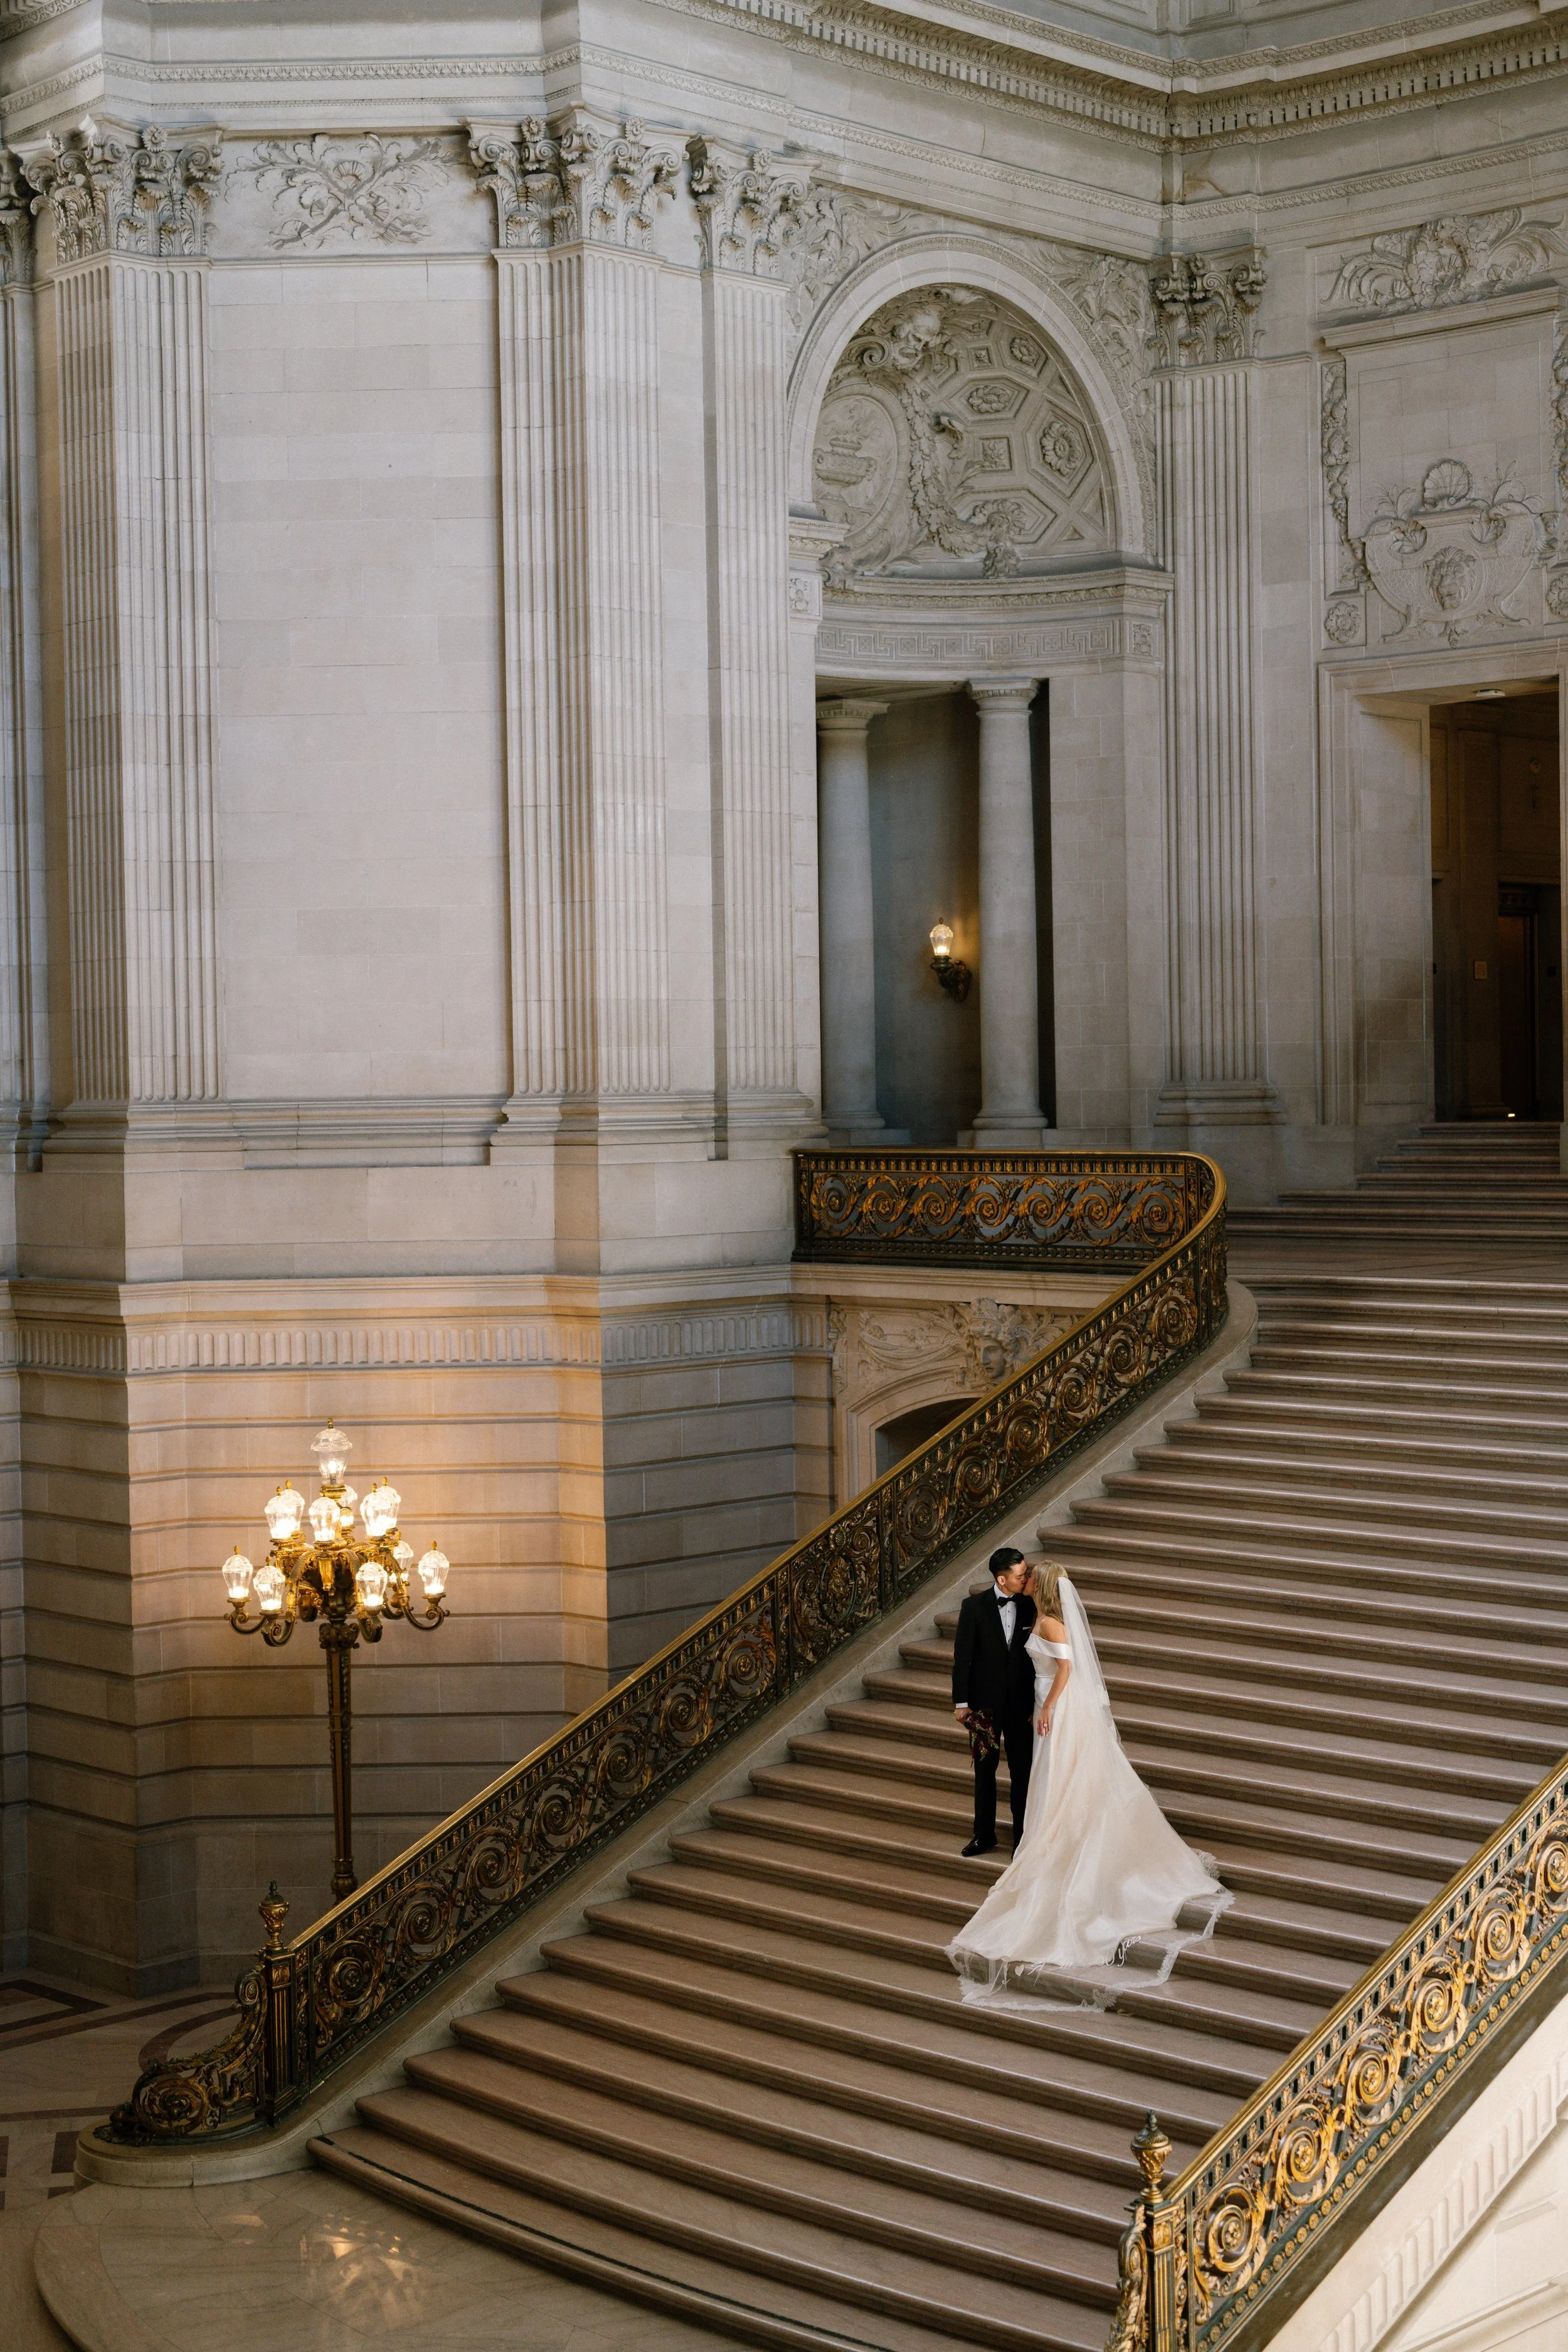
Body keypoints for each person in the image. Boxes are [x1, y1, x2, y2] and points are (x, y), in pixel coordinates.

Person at [948, 1559, 1229, 2001]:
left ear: (1037, 1586)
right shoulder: (1026, 1612)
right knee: (1033, 1775)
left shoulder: (1051, 1622)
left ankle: (1052, 1836)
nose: (1024, 1581)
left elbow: (1067, 1669)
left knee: (1058, 1777)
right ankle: (1004, 1832)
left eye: (1029, 1577)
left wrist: (1046, 1707)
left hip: (1052, 1709)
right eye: (1019, 1575)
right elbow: (972, 1653)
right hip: (1018, 1705)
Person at [950, 1545, 1037, 1857]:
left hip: (1021, 1707)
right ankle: (983, 1835)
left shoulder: (1031, 1605)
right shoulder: (973, 1607)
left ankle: (1022, 1841)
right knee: (984, 1772)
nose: (1026, 1578)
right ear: (1002, 1579)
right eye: (1020, 1575)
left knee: (1022, 1773)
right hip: (984, 1708)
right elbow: (963, 1660)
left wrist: (1038, 1704)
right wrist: (962, 1704)